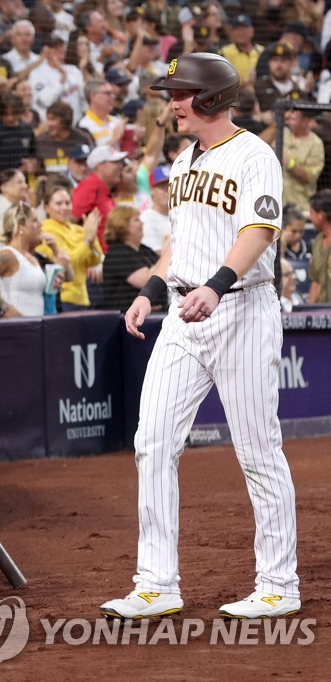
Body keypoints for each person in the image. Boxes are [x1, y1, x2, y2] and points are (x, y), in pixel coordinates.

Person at [102, 53, 300, 620]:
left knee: (257, 449)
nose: (173, 103)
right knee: (153, 442)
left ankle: (278, 584)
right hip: (183, 313)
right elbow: (177, 242)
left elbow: (259, 230)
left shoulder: (254, 154)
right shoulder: (183, 160)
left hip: (240, 309)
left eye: (182, 93)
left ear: (211, 99)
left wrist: (215, 285)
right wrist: (150, 288)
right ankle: (156, 582)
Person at [0, 202, 70, 316]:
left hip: (37, 327)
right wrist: (4, 306)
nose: (40, 224)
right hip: (15, 328)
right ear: (21, 226)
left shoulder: (33, 258)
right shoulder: (7, 255)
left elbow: (69, 277)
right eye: (34, 220)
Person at [36, 184, 102, 311]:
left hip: (83, 298)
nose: (64, 208)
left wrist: (92, 239)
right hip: (63, 299)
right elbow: (69, 263)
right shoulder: (45, 230)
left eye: (67, 203)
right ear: (46, 207)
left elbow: (95, 259)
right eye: (58, 203)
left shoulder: (77, 229)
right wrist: (87, 239)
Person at [99, 205, 161, 311]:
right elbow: (146, 281)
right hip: (125, 318)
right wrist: (165, 254)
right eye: (136, 220)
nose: (142, 223)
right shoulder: (118, 252)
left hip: (154, 314)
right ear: (122, 225)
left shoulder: (144, 249)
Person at [307, 189, 331, 304]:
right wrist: (308, 313)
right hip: (323, 314)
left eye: (312, 213)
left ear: (321, 215)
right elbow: (316, 282)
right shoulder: (317, 241)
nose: (309, 218)